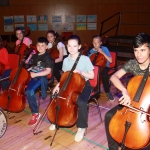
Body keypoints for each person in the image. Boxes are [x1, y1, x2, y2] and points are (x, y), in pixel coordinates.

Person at [105, 32, 150, 150]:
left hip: (146, 105)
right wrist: (124, 91)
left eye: (142, 50)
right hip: (132, 100)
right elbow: (113, 77)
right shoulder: (132, 64)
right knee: (109, 116)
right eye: (136, 50)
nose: (138, 55)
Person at [49, 35, 94, 142]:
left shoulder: (85, 59)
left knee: (81, 102)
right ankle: (57, 120)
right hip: (69, 84)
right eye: (69, 46)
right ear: (66, 46)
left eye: (74, 46)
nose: (72, 48)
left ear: (79, 46)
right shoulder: (66, 60)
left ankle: (82, 127)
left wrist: (81, 72)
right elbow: (64, 76)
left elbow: (92, 76)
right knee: (55, 95)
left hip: (84, 84)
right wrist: (57, 86)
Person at [26, 37, 53, 126]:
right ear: (36, 46)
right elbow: (34, 66)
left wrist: (35, 74)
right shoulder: (35, 56)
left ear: (46, 47)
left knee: (29, 91)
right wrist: (30, 69)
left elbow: (48, 71)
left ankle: (35, 113)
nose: (40, 47)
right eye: (38, 45)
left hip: (42, 77)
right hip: (34, 75)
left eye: (42, 45)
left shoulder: (48, 57)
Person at [88, 35, 114, 101]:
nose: (95, 44)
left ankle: (107, 92)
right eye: (94, 43)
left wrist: (102, 52)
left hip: (104, 66)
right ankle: (90, 89)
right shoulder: (91, 51)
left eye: (97, 42)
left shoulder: (104, 49)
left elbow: (110, 60)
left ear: (100, 43)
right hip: (94, 67)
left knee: (104, 73)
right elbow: (88, 62)